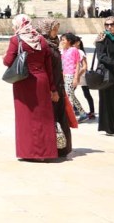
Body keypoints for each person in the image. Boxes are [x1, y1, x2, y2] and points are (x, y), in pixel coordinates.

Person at [3, 15, 58, 161]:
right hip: (42, 80)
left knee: (26, 117)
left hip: (24, 81)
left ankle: (29, 152)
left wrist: (4, 57)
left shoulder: (16, 40)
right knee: (43, 116)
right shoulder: (41, 40)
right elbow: (49, 67)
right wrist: (53, 88)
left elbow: (8, 61)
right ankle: (46, 152)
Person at [39, 19, 72, 156]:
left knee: (60, 116)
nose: (56, 32)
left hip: (59, 85)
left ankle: (62, 148)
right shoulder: (43, 45)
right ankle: (52, 148)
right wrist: (52, 89)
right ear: (46, 29)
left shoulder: (54, 43)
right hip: (51, 87)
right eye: (54, 29)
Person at [74, 36, 96, 122]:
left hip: (82, 76)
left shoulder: (80, 52)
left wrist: (78, 75)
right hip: (76, 75)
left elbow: (84, 66)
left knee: (86, 94)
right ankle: (76, 108)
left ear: (78, 43)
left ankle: (92, 112)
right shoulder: (74, 51)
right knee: (70, 93)